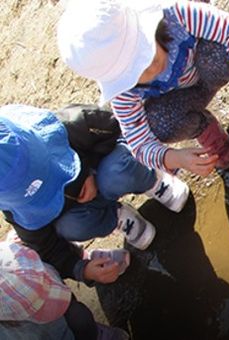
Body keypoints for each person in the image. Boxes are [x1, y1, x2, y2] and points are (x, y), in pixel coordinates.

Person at [56, 0, 229, 178]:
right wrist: (174, 158)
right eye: (133, 75)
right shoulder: (122, 94)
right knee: (157, 124)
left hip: (208, 64)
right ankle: (208, 131)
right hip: (181, 99)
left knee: (220, 54)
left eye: (146, 58)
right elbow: (138, 142)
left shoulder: (176, 14)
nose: (150, 72)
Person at [0, 103, 189, 289]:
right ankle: (117, 216)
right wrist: (82, 269)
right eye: (39, 195)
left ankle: (151, 179)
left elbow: (118, 126)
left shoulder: (71, 124)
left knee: (118, 172)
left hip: (105, 171)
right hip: (80, 212)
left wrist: (86, 170)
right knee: (72, 227)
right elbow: (47, 247)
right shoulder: (17, 211)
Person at [0, 234, 129, 340]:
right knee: (77, 318)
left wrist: (82, 268)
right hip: (42, 333)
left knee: (78, 315)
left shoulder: (13, 252)